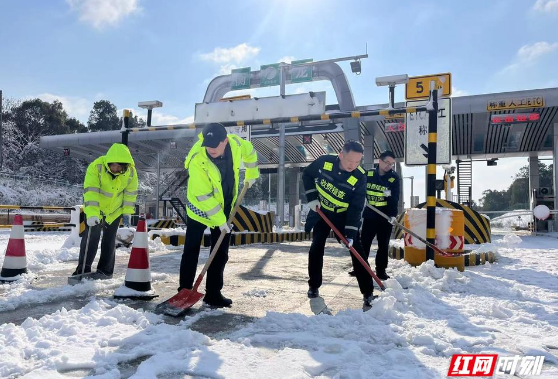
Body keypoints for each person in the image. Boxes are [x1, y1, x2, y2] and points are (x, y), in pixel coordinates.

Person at [179, 122, 259, 308]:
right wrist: (220, 221)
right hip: (199, 209)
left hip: (225, 206)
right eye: (208, 145)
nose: (211, 149)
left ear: (225, 141)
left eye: (215, 145)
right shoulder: (197, 160)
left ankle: (213, 293)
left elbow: (251, 153)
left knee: (220, 252)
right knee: (191, 250)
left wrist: (252, 173)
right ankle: (184, 290)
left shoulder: (237, 144)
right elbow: (204, 196)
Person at [302, 140, 375, 306]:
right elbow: (307, 174)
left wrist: (349, 233)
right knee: (316, 248)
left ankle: (368, 292)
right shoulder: (324, 162)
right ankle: (314, 286)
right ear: (341, 155)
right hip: (321, 211)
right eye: (350, 161)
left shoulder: (359, 177)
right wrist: (312, 198)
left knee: (357, 251)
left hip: (343, 216)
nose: (353, 165)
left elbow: (357, 207)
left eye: (357, 162)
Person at [71, 143, 138, 280]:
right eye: (113, 165)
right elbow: (91, 193)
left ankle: (105, 271)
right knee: (91, 239)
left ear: (125, 166)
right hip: (96, 209)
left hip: (114, 211)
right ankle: (83, 270)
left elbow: (130, 194)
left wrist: (127, 212)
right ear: (108, 162)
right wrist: (93, 214)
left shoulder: (130, 172)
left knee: (109, 240)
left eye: (119, 166)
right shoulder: (97, 167)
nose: (115, 169)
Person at [359, 150, 400, 280]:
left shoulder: (393, 178)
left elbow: (395, 198)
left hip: (385, 217)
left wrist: (393, 215)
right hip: (370, 215)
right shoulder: (368, 174)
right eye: (387, 162)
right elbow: (359, 189)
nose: (389, 165)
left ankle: (381, 271)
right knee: (364, 243)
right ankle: (360, 268)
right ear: (380, 161)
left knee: (383, 245)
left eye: (392, 163)